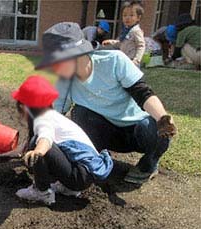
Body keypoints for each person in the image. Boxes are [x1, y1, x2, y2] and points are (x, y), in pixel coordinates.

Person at [36, 22, 177, 184]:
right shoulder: (65, 82)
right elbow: (52, 116)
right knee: (80, 113)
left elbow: (143, 93)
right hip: (109, 133)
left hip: (139, 131)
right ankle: (96, 157)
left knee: (152, 127)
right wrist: (35, 143)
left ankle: (148, 165)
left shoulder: (114, 61)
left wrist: (162, 118)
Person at [12, 76, 113, 205]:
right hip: (86, 174)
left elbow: (45, 138)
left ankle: (41, 191)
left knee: (36, 142)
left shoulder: (42, 119)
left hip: (79, 176)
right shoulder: (54, 117)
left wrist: (37, 151)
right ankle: (68, 188)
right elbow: (25, 147)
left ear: (24, 106)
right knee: (35, 143)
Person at [103, 1, 145, 66]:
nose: (127, 18)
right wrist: (112, 42)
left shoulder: (136, 31)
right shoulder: (125, 30)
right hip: (124, 59)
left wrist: (136, 60)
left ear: (138, 18)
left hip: (132, 61)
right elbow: (122, 43)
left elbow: (141, 46)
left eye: (131, 15)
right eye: (124, 15)